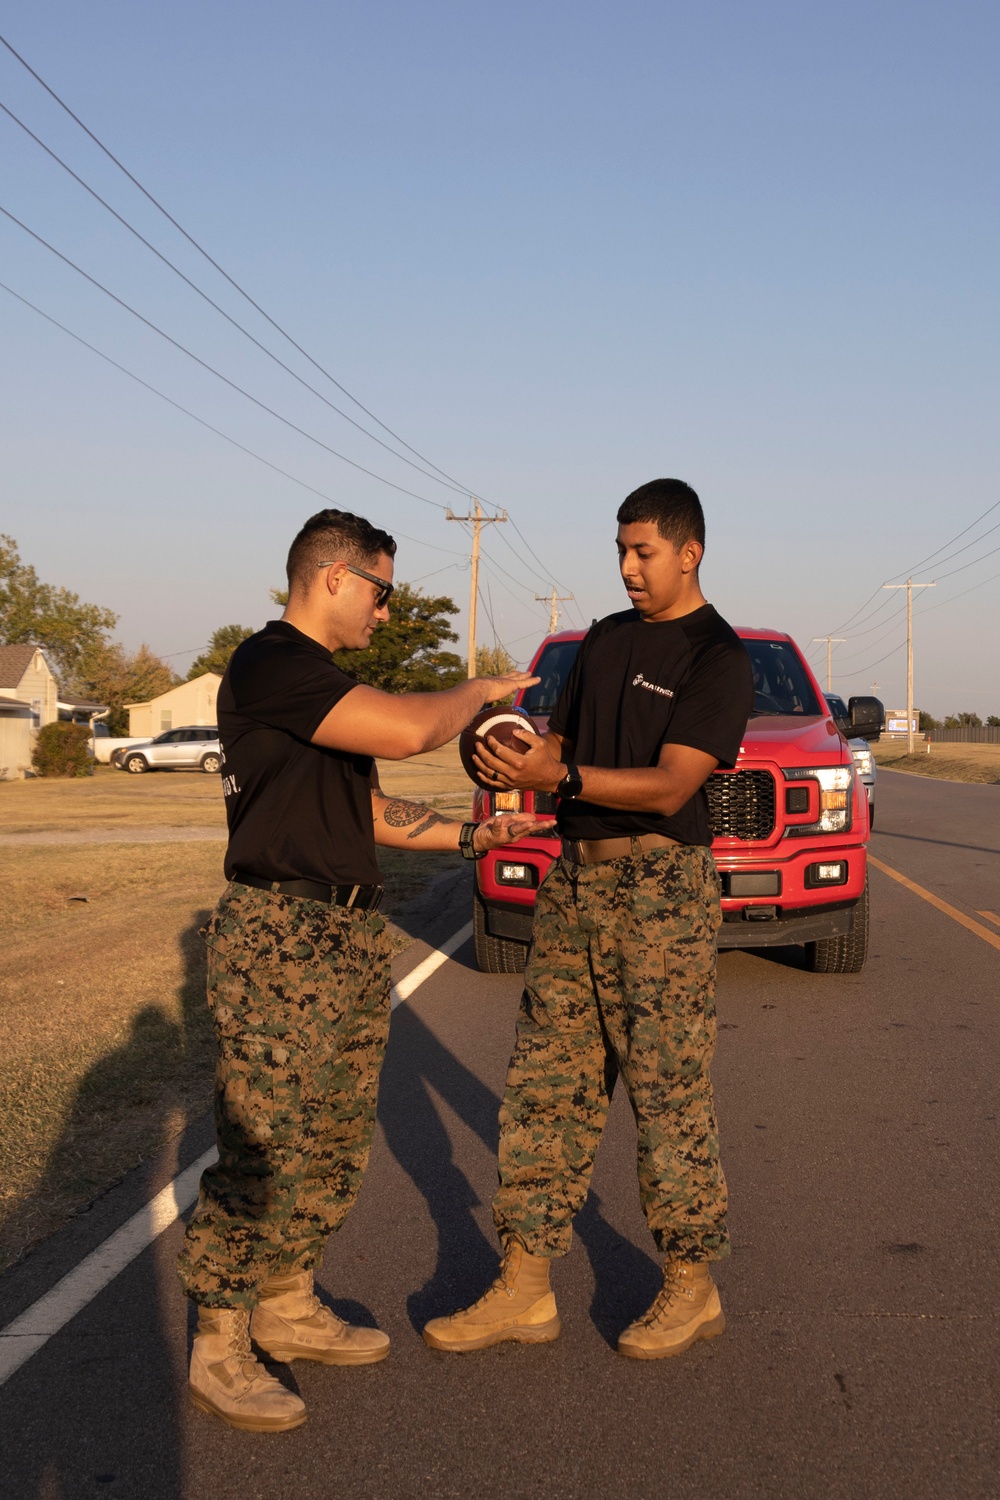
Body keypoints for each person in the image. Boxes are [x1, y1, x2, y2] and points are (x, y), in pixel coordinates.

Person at [177, 508, 551, 1431]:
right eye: (381, 591)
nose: (385, 611)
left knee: (334, 1139)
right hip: (278, 933)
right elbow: (405, 733)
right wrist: (479, 692)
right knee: (263, 1141)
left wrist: (471, 835)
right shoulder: (271, 665)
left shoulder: (321, 684)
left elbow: (369, 812)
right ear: (336, 577)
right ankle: (220, 1343)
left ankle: (288, 1300)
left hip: (345, 933)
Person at [422, 478, 754, 1360]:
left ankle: (692, 1284)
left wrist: (557, 782)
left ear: (690, 551)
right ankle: (525, 1287)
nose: (628, 567)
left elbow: (675, 784)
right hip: (575, 885)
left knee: (668, 1092)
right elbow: (560, 747)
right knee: (546, 1087)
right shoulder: (605, 640)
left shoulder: (717, 656)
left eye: (643, 551)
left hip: (660, 891)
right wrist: (519, 754)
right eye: (620, 550)